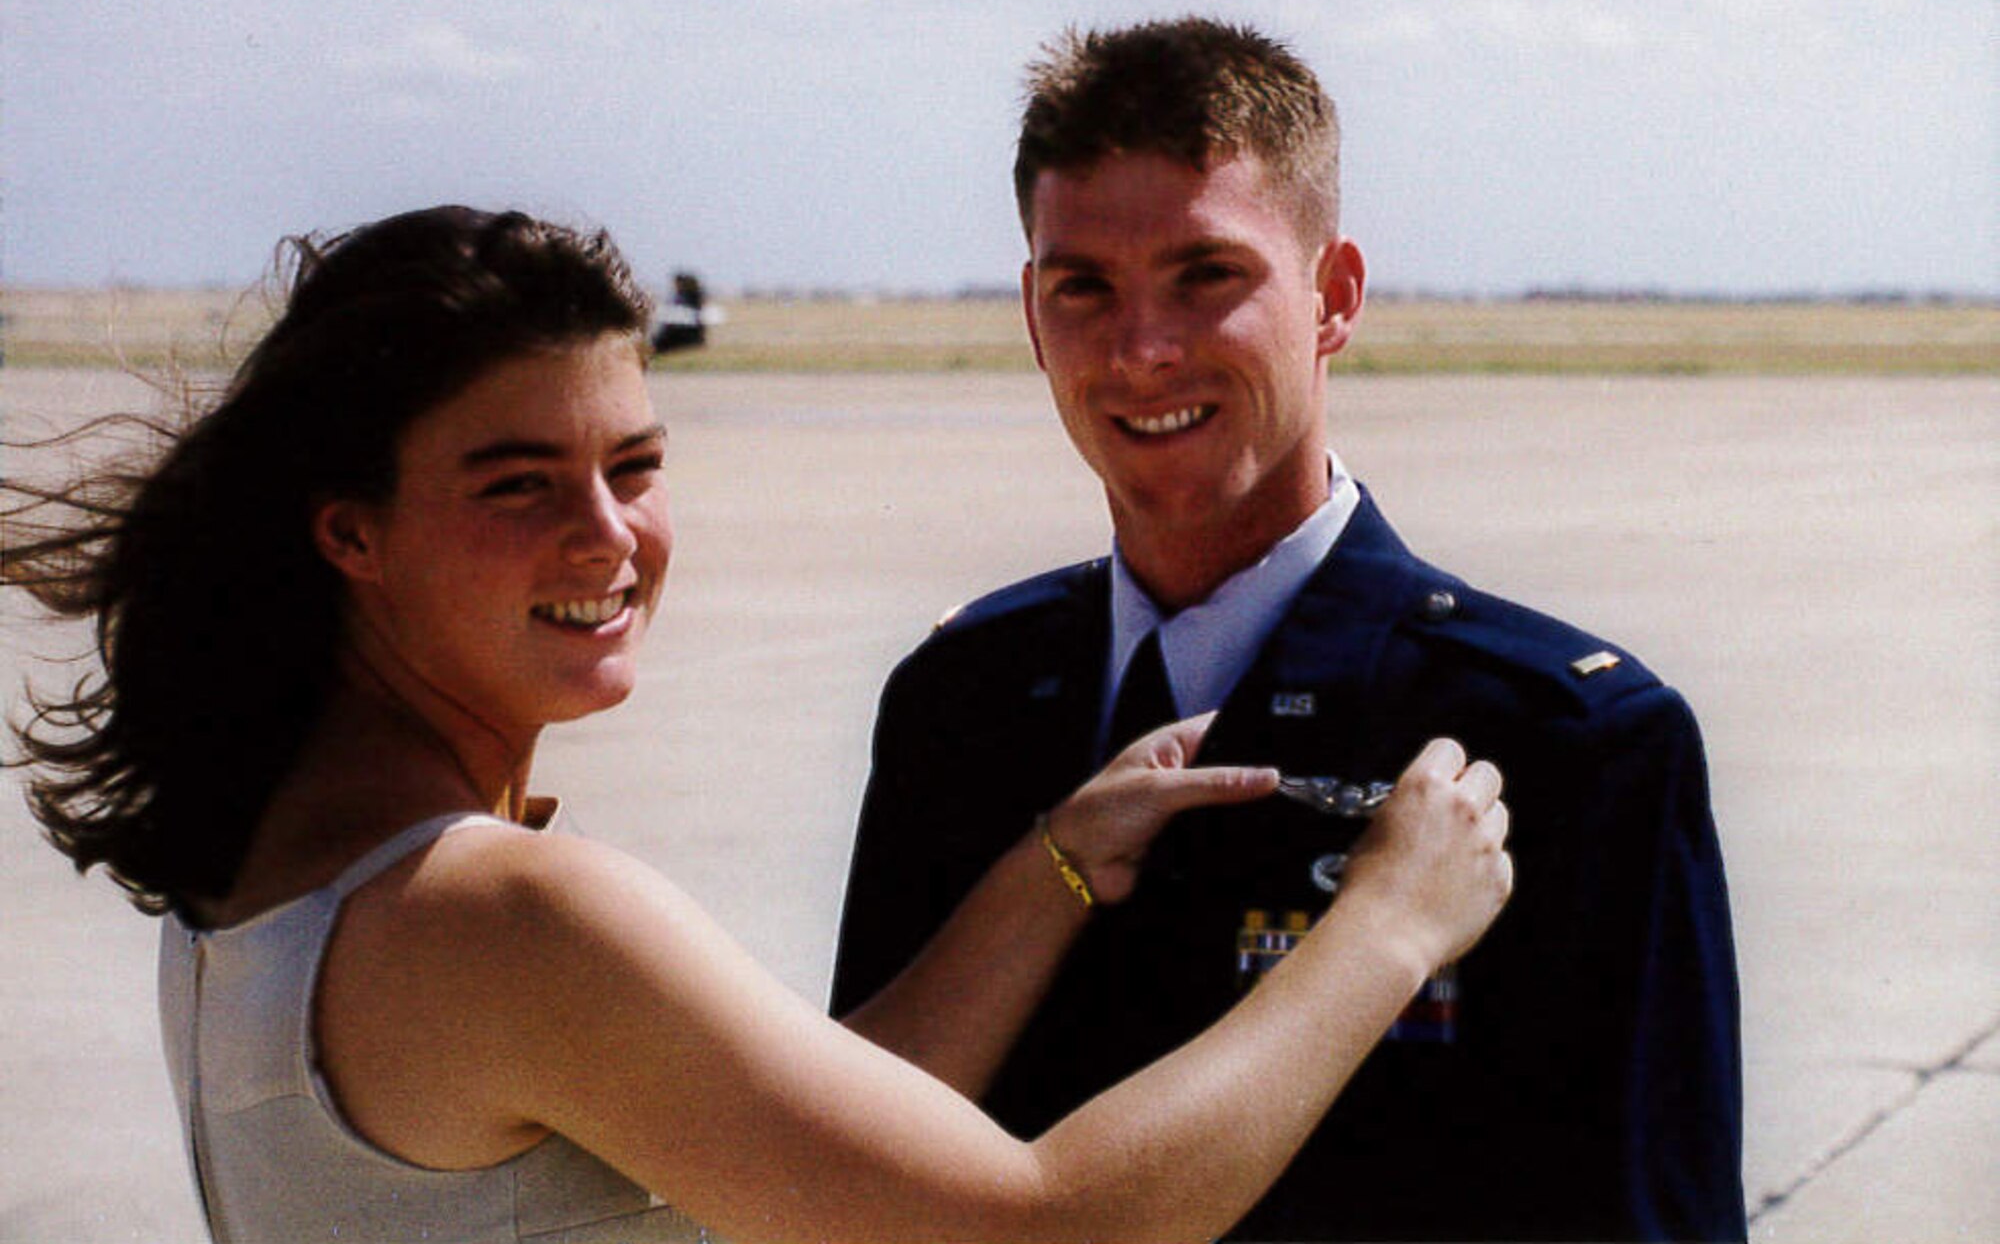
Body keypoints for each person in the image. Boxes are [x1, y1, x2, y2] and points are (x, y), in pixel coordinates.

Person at [2, 205, 1512, 1244]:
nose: (609, 537)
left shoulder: (273, 858)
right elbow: (1042, 1225)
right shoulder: (499, 914)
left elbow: (786, 1156)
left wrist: (1051, 865)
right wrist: (1384, 927)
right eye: (516, 483)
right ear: (353, 533)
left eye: (636, 463)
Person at [832, 18, 1745, 1242]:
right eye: (1082, 288)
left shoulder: (1566, 741)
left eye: (1206, 276)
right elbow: (853, 1165)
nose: (1141, 350)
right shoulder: (958, 705)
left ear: (1335, 296)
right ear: (1030, 314)